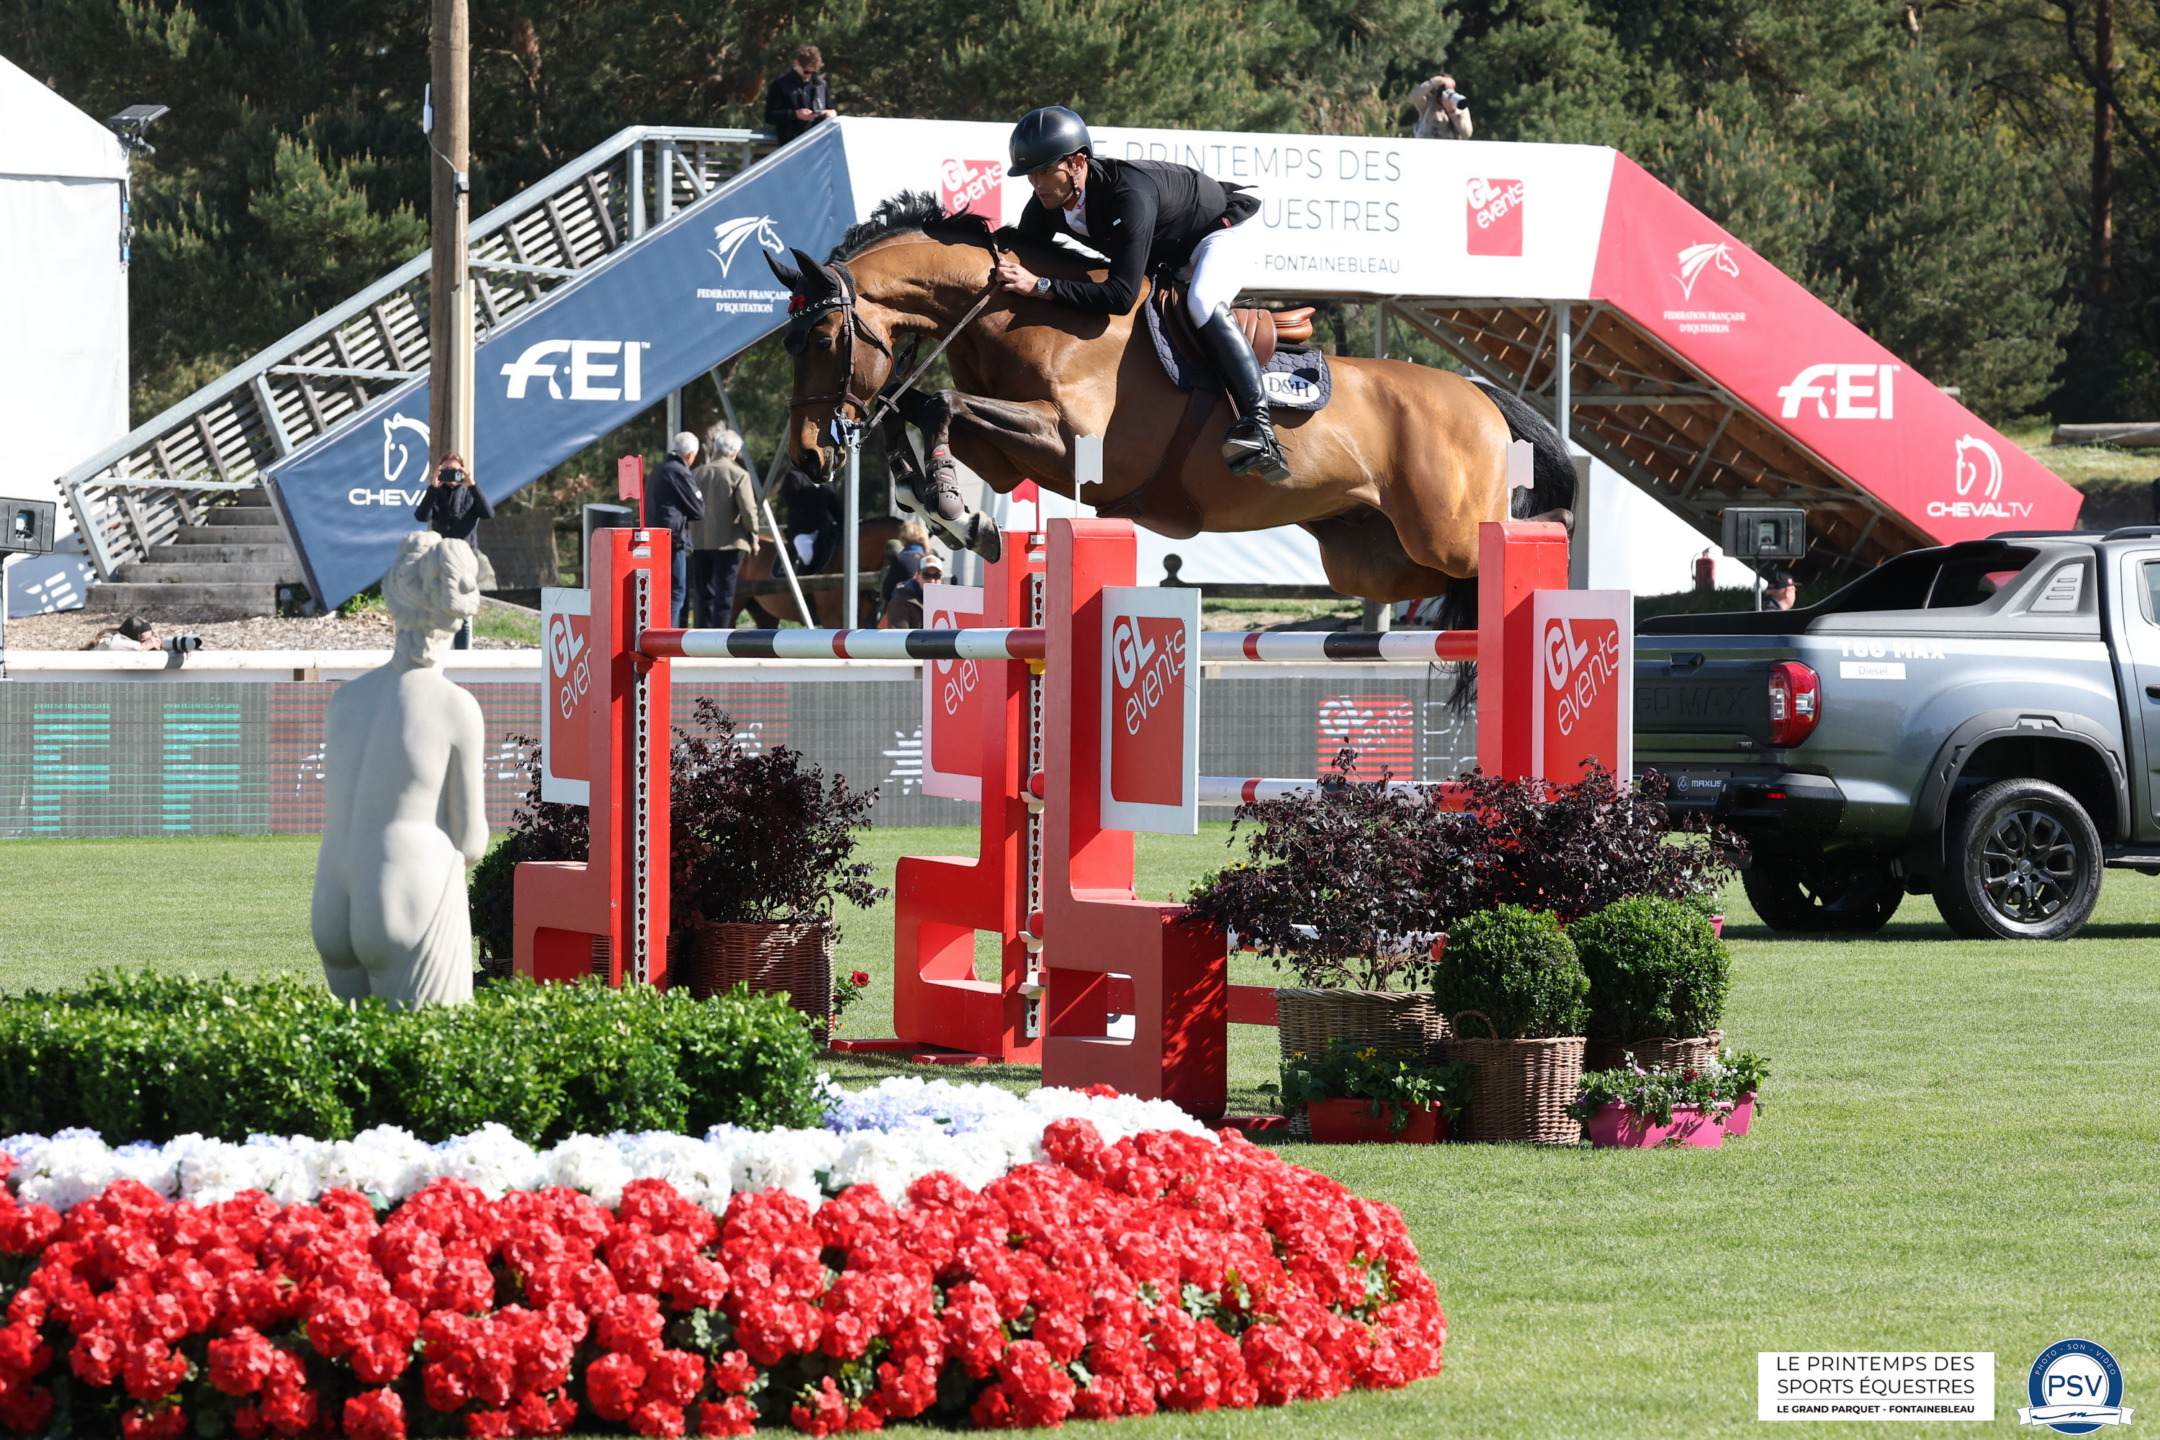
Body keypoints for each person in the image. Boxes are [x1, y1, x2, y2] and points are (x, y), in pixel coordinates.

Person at [993, 106, 1290, 486]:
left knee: (1200, 301)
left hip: (1218, 235)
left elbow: (1118, 295)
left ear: (1078, 162)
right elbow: (1021, 254)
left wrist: (1042, 287)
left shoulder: (1126, 193)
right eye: (1031, 174)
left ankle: (1259, 426)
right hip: (1167, 253)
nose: (1037, 183)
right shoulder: (1047, 203)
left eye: (1045, 170)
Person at [413, 452, 493, 648]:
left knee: (462, 610)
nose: (451, 476)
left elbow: (488, 513)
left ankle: (462, 655)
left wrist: (471, 484)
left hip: (465, 562)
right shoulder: (437, 493)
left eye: (456, 471)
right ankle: (439, 650)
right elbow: (421, 516)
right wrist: (432, 488)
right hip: (441, 559)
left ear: (464, 471)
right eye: (446, 470)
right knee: (438, 606)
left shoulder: (469, 492)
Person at [688, 427, 761, 629]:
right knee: (724, 595)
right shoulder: (739, 474)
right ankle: (719, 640)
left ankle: (700, 639)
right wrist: (753, 537)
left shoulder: (696, 473)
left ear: (716, 448)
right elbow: (748, 509)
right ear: (734, 452)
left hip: (699, 543)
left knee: (704, 595)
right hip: (728, 543)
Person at [645, 432, 707, 626]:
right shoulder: (679, 471)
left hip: (653, 538)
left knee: (658, 590)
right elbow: (699, 509)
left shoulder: (658, 469)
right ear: (690, 455)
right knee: (676, 592)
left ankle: (656, 632)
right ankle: (669, 637)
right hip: (673, 539)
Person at [765, 45, 836, 145]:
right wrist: (795, 114)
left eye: (814, 72)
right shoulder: (780, 85)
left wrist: (831, 113)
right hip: (792, 143)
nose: (809, 75)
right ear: (796, 63)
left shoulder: (821, 84)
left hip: (818, 142)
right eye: (806, 71)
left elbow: (831, 108)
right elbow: (769, 116)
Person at [878, 520, 930, 620]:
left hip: (906, 615)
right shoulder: (932, 558)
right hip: (930, 613)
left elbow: (886, 592)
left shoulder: (900, 559)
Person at [882, 553, 940, 629]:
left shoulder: (947, 602)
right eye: (926, 575)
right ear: (917, 576)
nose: (932, 581)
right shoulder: (901, 601)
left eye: (936, 576)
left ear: (941, 578)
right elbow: (898, 638)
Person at [88, 614, 158, 650]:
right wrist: (144, 646)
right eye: (144, 641)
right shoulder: (109, 640)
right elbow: (106, 645)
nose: (150, 642)